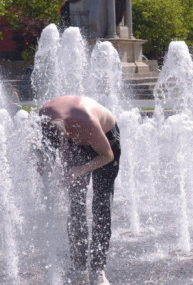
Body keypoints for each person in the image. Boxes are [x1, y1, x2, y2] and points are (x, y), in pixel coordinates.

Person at [39, 96, 120, 285]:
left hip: (106, 140)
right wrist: (43, 165)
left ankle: (98, 270)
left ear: (67, 134)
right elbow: (40, 150)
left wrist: (79, 170)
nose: (63, 151)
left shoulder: (87, 122)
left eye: (64, 147)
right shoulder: (43, 119)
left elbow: (107, 156)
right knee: (76, 205)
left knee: (101, 204)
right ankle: (79, 267)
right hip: (72, 134)